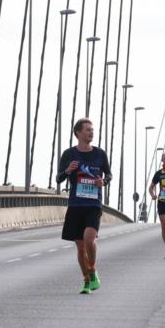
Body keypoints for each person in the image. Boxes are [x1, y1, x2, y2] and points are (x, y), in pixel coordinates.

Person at [56, 118, 112, 294]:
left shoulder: (100, 154)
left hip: (93, 204)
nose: (91, 132)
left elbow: (109, 175)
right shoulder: (69, 154)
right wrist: (68, 171)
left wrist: (103, 181)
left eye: (92, 130)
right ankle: (87, 281)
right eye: (88, 130)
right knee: (80, 247)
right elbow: (58, 179)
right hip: (75, 205)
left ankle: (93, 269)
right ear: (78, 133)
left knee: (89, 240)